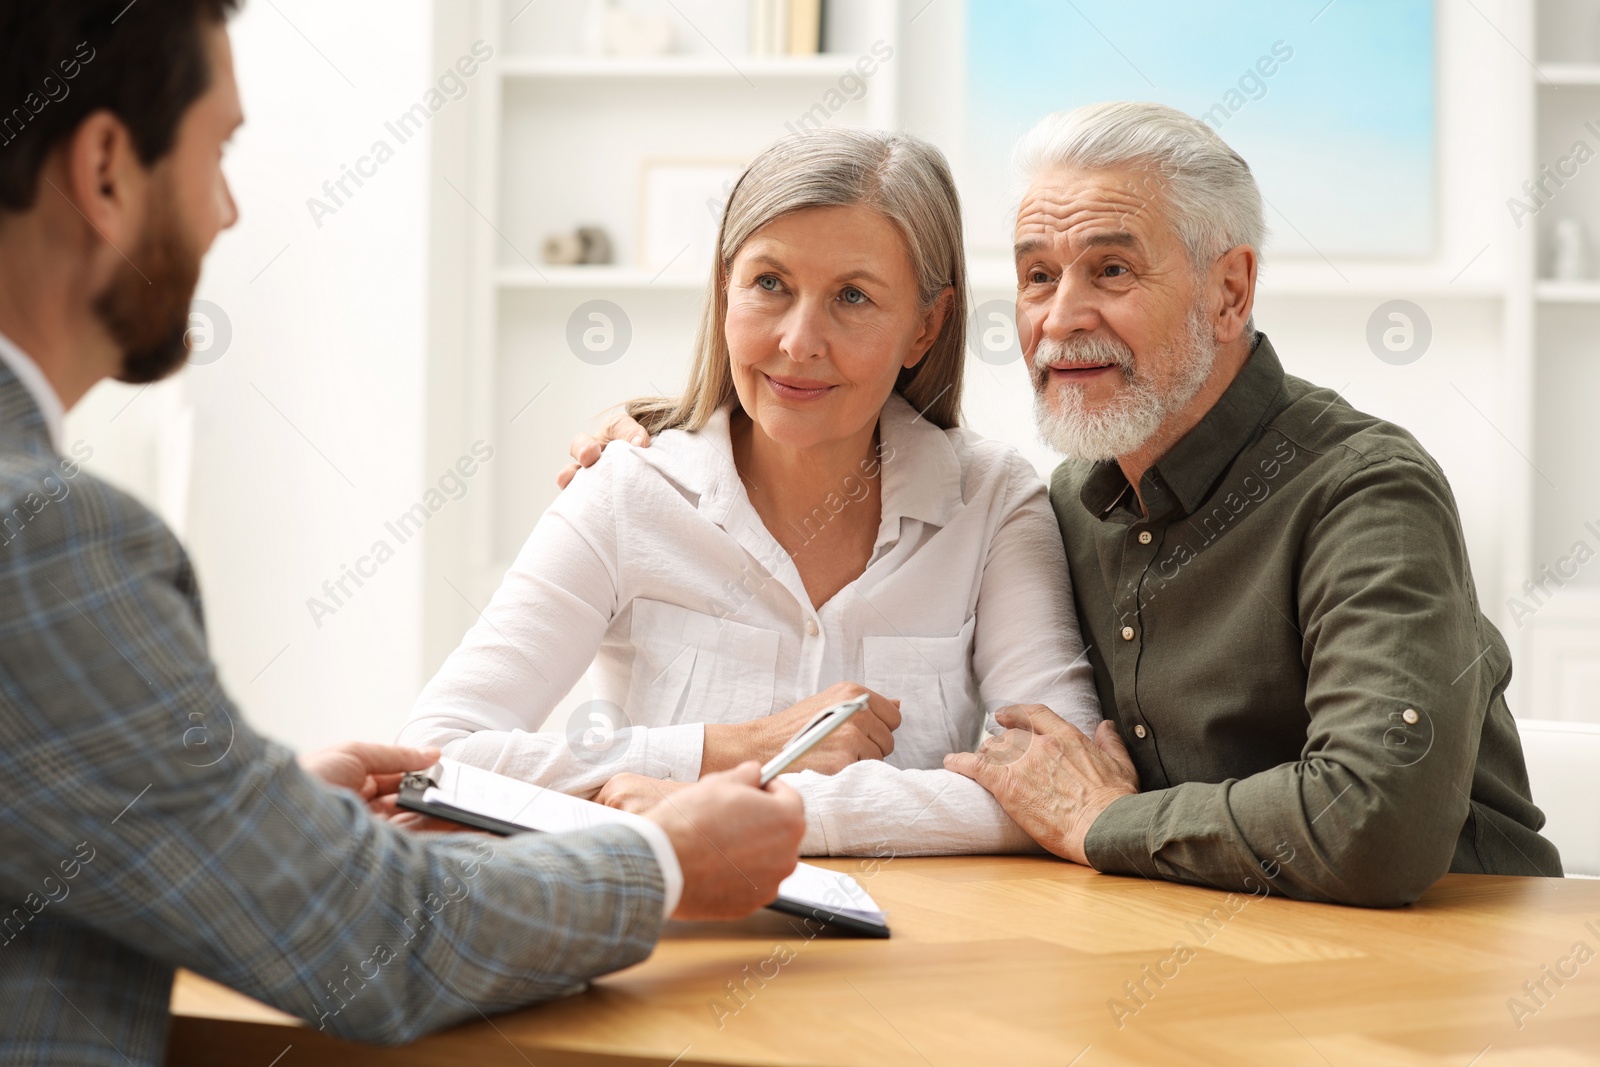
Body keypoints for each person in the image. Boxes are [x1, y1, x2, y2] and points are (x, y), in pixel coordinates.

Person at [0, 4, 803, 1064]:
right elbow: (371, 937)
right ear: (105, 169)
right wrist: (661, 861)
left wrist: (259, 809)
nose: (229, 212)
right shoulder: (48, 540)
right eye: (218, 154)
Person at [567, 102, 1563, 907]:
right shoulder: (1064, 504)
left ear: (1230, 291)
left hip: (1441, 969)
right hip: (1181, 939)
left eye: (1112, 270)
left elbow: (1374, 818)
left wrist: (1098, 823)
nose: (1060, 315)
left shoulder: (1362, 490)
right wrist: (682, 427)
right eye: (1038, 275)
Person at [400, 128, 1102, 857]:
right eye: (770, 284)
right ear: (725, 287)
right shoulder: (625, 492)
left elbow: (1062, 784)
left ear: (924, 328)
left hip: (916, 956)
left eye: (853, 297)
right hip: (672, 947)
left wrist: (766, 802)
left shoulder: (992, 504)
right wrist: (732, 748)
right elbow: (436, 756)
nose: (799, 341)